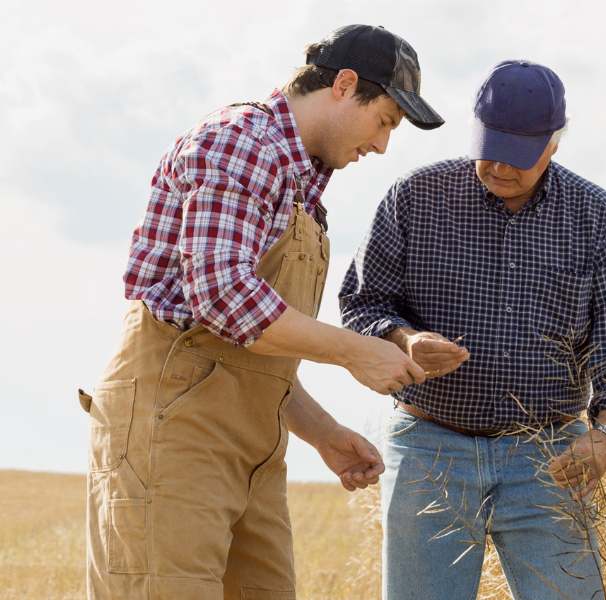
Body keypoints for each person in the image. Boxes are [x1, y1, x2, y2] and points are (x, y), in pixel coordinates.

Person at [78, 24, 443, 600]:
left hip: (253, 454)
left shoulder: (301, 183)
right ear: (345, 85)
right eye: (385, 122)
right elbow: (222, 298)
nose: (381, 147)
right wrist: (354, 351)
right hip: (171, 441)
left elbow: (246, 348)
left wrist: (322, 433)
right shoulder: (240, 142)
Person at [339, 59, 606, 600]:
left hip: (550, 459)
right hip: (428, 449)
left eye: (520, 156)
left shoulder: (600, 219)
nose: (501, 168)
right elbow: (363, 302)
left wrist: (605, 435)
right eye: (491, 148)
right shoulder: (414, 197)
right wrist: (404, 339)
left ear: (554, 143)